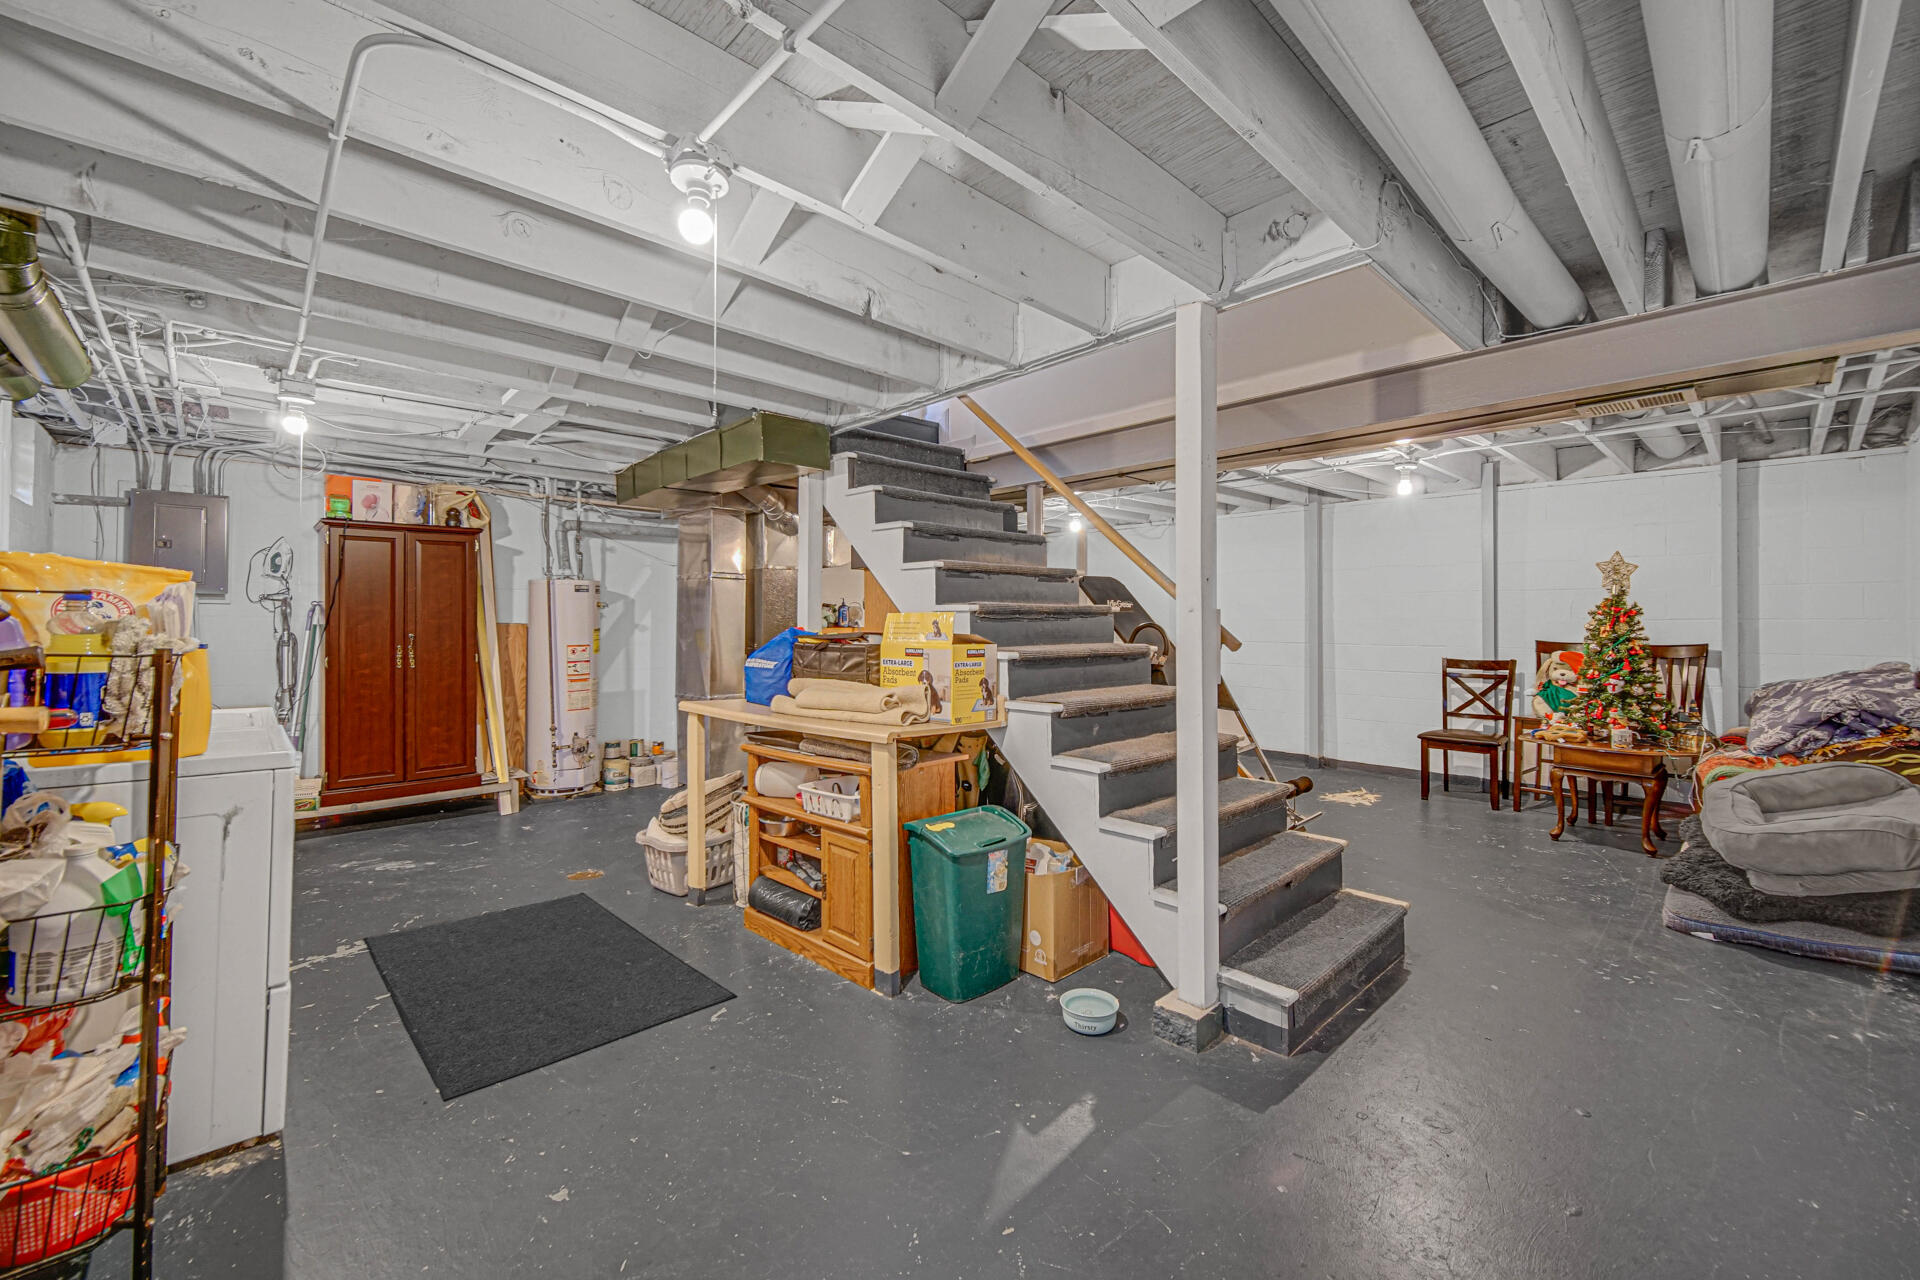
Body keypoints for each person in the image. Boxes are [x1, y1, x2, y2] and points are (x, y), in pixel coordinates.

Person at [1532, 649, 1584, 719]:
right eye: (1555, 669)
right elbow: (1541, 683)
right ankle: (1549, 714)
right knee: (1540, 699)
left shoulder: (1577, 685)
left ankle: (1573, 714)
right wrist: (1535, 690)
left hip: (1573, 708)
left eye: (1570, 670)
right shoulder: (1549, 683)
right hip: (1551, 714)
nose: (1561, 673)